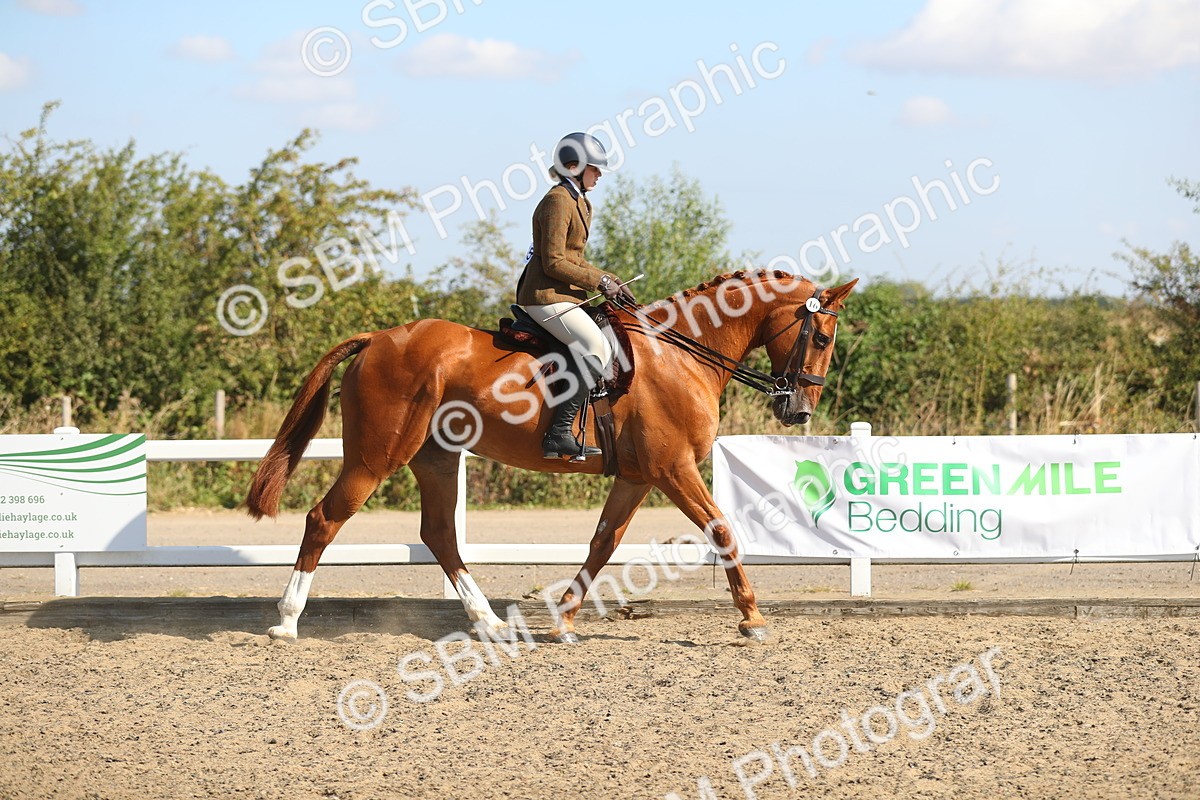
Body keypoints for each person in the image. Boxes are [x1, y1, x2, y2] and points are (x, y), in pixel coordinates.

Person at [516, 132, 637, 460]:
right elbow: (554, 261)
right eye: (594, 169)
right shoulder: (558, 200)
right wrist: (599, 282)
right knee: (596, 346)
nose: (599, 174)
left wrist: (611, 280)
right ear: (574, 166)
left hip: (564, 296)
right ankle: (558, 435)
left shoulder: (580, 202)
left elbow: (577, 260)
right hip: (545, 295)